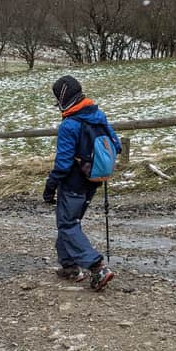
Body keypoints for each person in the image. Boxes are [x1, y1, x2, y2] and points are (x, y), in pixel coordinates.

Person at [43, 75, 121, 291]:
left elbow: (63, 164)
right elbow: (117, 145)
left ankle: (96, 266)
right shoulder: (98, 115)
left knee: (67, 225)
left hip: (74, 183)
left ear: (62, 99)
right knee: (69, 222)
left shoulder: (69, 125)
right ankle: (69, 266)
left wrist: (50, 187)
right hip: (93, 180)